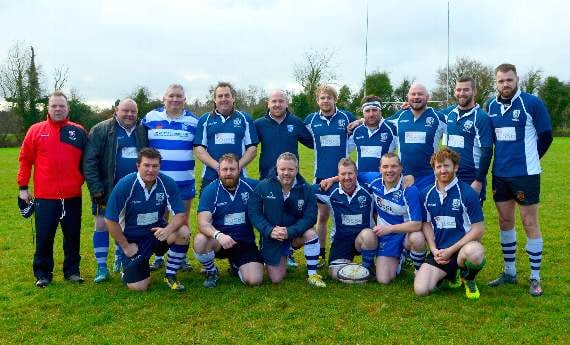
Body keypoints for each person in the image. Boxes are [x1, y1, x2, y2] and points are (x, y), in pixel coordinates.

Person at [486, 63, 553, 296]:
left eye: (509, 80)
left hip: (526, 175)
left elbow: (546, 136)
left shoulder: (531, 103)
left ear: (517, 80)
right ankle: (510, 272)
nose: (505, 85)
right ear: (496, 82)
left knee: (529, 223)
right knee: (505, 222)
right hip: (500, 174)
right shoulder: (491, 105)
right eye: (501, 81)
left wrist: (532, 159)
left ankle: (535, 277)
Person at [17, 91, 87, 287]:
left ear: (68, 108)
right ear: (47, 108)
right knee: (44, 237)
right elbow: (25, 160)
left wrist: (80, 180)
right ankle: (43, 274)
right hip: (45, 198)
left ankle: (72, 271)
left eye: (61, 106)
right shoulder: (35, 130)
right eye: (54, 106)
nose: (58, 109)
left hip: (72, 196)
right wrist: (23, 187)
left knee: (72, 236)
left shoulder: (78, 131)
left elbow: (88, 162)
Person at [104, 148, 190, 291]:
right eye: (146, 165)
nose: (151, 170)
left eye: (155, 166)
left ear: (159, 166)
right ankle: (129, 267)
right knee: (139, 287)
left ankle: (170, 275)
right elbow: (110, 220)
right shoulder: (125, 185)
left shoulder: (167, 182)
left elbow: (181, 214)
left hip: (157, 233)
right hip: (134, 240)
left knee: (183, 232)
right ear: (138, 166)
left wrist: (168, 229)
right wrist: (125, 246)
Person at [83, 98, 148, 283]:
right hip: (106, 189)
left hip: (134, 189)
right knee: (102, 225)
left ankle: (120, 259)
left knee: (125, 226)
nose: (129, 115)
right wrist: (96, 189)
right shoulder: (101, 129)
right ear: (116, 110)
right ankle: (101, 267)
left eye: (133, 112)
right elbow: (90, 162)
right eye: (125, 111)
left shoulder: (142, 130)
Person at [414, 148, 486, 300]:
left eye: (446, 166)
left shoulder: (467, 193)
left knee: (476, 253)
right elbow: (426, 223)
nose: (442, 170)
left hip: (461, 251)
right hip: (440, 253)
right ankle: (450, 275)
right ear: (434, 169)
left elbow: (478, 229)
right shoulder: (426, 193)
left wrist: (451, 250)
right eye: (438, 167)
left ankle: (468, 277)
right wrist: (434, 250)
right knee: (421, 290)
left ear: (455, 167)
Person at [254, 89, 313, 267]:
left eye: (281, 101)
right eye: (274, 101)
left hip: (291, 179)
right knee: (268, 215)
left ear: (286, 103)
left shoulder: (295, 122)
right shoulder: (259, 124)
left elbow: (313, 142)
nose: (277, 104)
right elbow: (248, 145)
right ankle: (264, 248)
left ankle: (289, 251)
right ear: (268, 104)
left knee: (290, 213)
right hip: (268, 178)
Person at [142, 84, 198, 272]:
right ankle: (158, 256)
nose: (175, 99)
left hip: (184, 182)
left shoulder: (193, 121)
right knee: (160, 220)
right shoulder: (150, 118)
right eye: (171, 96)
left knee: (182, 220)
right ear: (163, 98)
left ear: (184, 99)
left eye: (179, 96)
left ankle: (180, 257)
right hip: (157, 183)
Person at [248, 152, 325, 287]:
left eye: (290, 169)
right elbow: (254, 213)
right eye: (282, 169)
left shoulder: (305, 189)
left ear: (297, 169)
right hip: (273, 236)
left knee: (311, 234)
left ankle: (312, 274)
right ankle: (281, 254)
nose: (286, 173)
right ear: (276, 168)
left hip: (294, 235)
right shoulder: (264, 186)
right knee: (276, 278)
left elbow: (310, 217)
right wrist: (270, 230)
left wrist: (289, 231)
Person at [304, 85, 356, 266]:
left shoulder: (346, 117)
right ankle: (320, 254)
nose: (325, 101)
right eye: (322, 98)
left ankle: (340, 252)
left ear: (335, 100)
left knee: (341, 216)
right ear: (317, 101)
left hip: (343, 178)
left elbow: (368, 122)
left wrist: (360, 120)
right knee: (323, 216)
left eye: (329, 97)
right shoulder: (311, 120)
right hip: (321, 177)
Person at [194, 154, 264, 288]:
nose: (228, 173)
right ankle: (211, 271)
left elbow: (274, 188)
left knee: (254, 280)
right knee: (200, 240)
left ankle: (236, 264)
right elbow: (203, 223)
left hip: (244, 242)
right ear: (218, 171)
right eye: (224, 169)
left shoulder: (252, 186)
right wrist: (219, 235)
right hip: (219, 242)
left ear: (239, 170)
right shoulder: (210, 191)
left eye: (232, 169)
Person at [359, 153, 425, 283]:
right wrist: (331, 180)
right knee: (383, 280)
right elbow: (350, 174)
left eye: (394, 166)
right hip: (387, 237)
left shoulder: (410, 190)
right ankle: (400, 257)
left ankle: (419, 270)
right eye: (385, 166)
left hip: (404, 234)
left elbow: (417, 224)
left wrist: (389, 229)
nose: (389, 170)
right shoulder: (374, 181)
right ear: (380, 169)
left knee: (417, 237)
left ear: (401, 168)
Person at [314, 159, 377, 280]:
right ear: (337, 176)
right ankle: (359, 270)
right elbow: (305, 191)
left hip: (362, 238)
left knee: (369, 234)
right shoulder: (330, 191)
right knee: (334, 273)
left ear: (356, 174)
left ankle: (368, 266)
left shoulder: (369, 191)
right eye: (343, 174)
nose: (347, 177)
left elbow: (386, 176)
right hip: (341, 240)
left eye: (350, 173)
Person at [194, 82, 259, 191]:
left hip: (239, 176)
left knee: (239, 208)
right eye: (220, 96)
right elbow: (199, 149)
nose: (223, 99)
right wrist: (219, 168)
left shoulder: (245, 119)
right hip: (210, 176)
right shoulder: (205, 119)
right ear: (214, 99)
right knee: (208, 208)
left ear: (233, 98)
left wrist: (236, 167)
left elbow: (252, 149)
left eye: (227, 95)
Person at [387, 83, 446, 192]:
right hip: (403, 177)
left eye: (420, 94)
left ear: (428, 97)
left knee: (426, 208)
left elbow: (456, 125)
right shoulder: (399, 116)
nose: (416, 97)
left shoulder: (439, 118)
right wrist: (361, 120)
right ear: (408, 97)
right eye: (413, 94)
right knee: (406, 208)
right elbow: (377, 124)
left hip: (429, 177)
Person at [442, 77, 493, 203]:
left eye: (466, 90)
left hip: (471, 176)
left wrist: (479, 181)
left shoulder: (481, 117)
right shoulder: (449, 113)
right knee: (451, 217)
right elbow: (426, 113)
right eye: (458, 90)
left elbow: (487, 151)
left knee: (471, 219)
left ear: (474, 91)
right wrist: (409, 107)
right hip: (450, 175)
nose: (461, 93)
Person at [349, 95, 397, 174]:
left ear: (380, 111)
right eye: (367, 111)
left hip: (384, 181)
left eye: (374, 110)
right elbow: (344, 151)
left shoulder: (392, 128)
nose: (371, 114)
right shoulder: (356, 130)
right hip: (361, 181)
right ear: (363, 113)